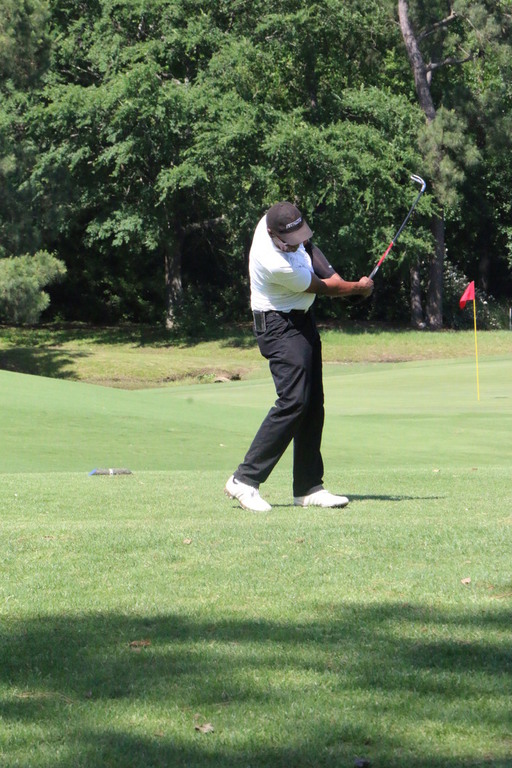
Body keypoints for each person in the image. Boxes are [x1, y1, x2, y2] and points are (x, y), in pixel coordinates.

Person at [224, 201, 373, 513]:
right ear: (272, 234)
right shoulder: (275, 263)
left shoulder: (278, 222)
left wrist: (337, 277)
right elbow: (323, 287)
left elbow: (310, 249)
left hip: (301, 322)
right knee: (294, 401)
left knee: (313, 403)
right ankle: (244, 480)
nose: (296, 244)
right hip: (277, 325)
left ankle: (308, 487)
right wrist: (357, 288)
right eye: (289, 242)